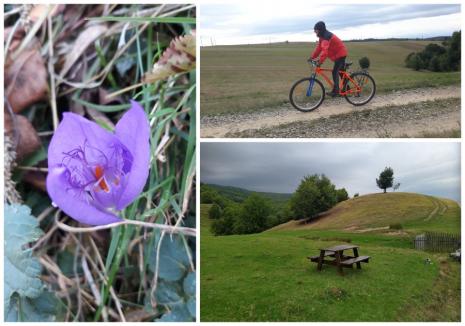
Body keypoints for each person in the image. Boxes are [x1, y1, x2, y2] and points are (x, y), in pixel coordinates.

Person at [310, 21, 348, 97]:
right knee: (341, 72)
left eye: (316, 30)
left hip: (340, 54)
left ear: (320, 30)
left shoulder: (326, 37)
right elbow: (319, 48)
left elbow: (324, 51)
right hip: (337, 55)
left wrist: (320, 62)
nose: (315, 32)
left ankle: (336, 91)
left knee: (335, 72)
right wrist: (312, 57)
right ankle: (346, 88)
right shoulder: (322, 37)